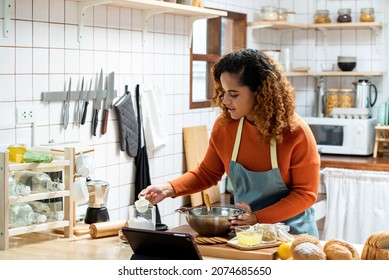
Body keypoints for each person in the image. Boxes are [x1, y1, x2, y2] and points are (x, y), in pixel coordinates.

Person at [140, 48, 320, 237]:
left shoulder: (295, 132)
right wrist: (167, 189)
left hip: (293, 234)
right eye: (223, 92)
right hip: (247, 233)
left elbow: (305, 194)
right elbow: (208, 173)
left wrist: (257, 217)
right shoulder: (226, 126)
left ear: (261, 92)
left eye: (234, 94)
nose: (225, 101)